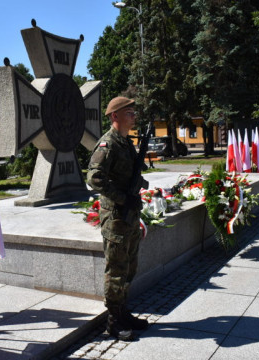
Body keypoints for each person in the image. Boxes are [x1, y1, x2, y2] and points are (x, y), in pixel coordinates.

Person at [87, 96, 149, 341]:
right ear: (115, 116)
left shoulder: (125, 142)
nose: (134, 116)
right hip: (116, 216)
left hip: (130, 215)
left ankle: (123, 312)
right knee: (116, 269)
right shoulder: (108, 144)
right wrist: (123, 198)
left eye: (134, 112)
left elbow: (127, 174)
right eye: (129, 112)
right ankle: (113, 321)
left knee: (129, 267)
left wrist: (139, 185)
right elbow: (95, 178)